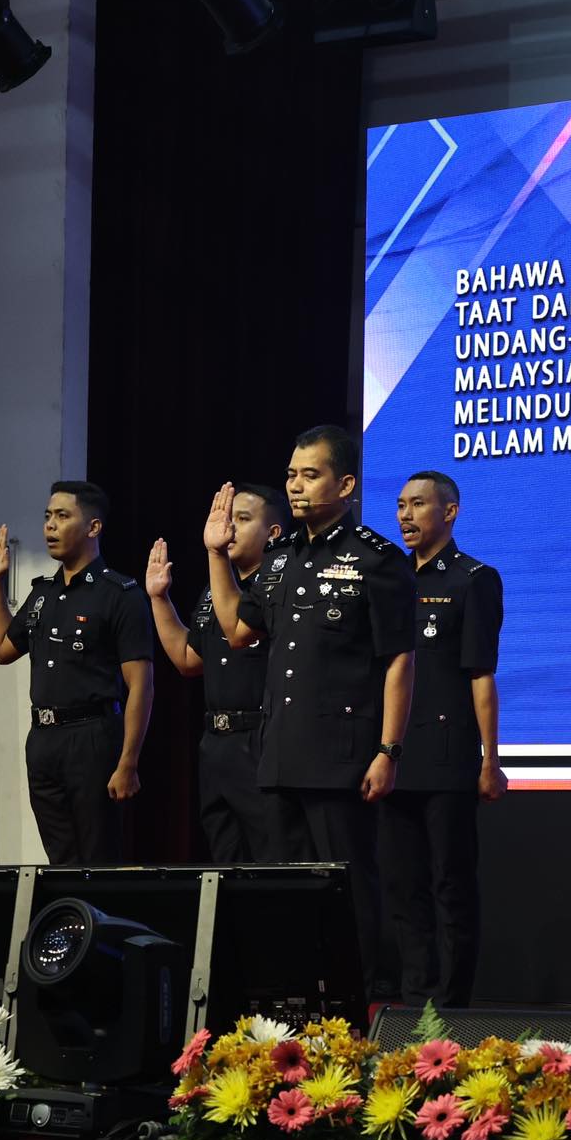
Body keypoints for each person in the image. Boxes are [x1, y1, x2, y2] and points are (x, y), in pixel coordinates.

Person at [202, 424, 415, 990]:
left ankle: (361, 1006)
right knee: (286, 892)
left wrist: (388, 751)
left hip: (341, 758)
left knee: (350, 889)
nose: (296, 486)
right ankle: (295, 1004)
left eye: (311, 475)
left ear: (345, 485)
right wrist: (216, 554)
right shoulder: (278, 559)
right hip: (277, 755)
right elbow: (236, 631)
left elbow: (399, 661)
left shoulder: (377, 559)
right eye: (292, 475)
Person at [384, 470, 507, 1007]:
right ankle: (416, 999)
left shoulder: (473, 579)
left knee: (450, 884)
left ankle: (452, 1005)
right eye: (400, 505)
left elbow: (481, 674)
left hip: (448, 754)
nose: (405, 515)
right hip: (395, 755)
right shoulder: (391, 579)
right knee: (403, 885)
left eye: (417, 504)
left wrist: (489, 759)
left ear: (449, 511)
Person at [0, 481, 154, 865]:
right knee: (59, 857)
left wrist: (128, 761)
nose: (50, 525)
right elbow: (2, 649)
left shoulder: (119, 594)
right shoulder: (43, 593)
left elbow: (141, 686)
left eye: (62, 516)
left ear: (93, 527)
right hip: (44, 740)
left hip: (92, 737)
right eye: (48, 516)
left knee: (97, 857)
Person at [143, 484, 290, 863]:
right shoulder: (216, 591)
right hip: (216, 744)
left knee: (270, 858)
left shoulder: (281, 586)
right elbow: (187, 659)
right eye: (228, 518)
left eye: (243, 519)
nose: (230, 527)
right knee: (225, 859)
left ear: (273, 533)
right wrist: (159, 599)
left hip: (261, 739)